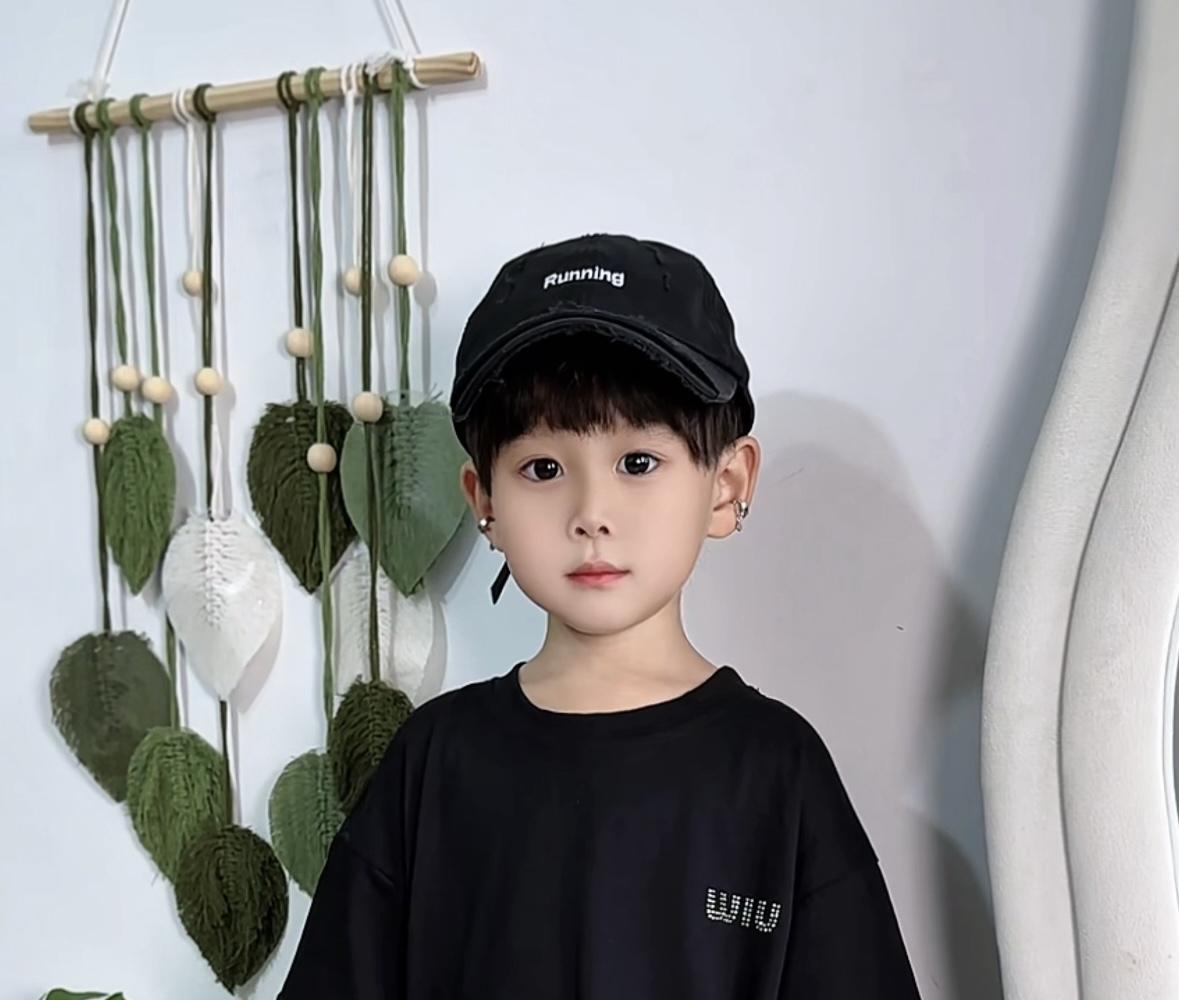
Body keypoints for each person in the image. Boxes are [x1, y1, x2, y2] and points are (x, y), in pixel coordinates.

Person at [278, 233, 922, 998]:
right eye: (542, 468)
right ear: (485, 502)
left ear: (725, 486)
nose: (591, 513)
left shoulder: (775, 770)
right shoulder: (434, 763)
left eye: (637, 463)